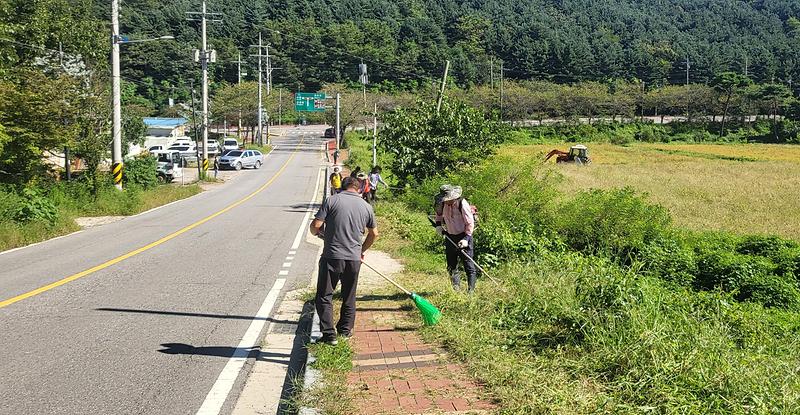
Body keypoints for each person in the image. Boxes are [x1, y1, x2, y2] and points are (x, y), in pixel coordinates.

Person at [310, 177, 378, 345]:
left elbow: (316, 226)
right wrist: (361, 250)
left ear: (342, 187)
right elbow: (374, 234)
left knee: (324, 295)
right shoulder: (366, 206)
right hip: (353, 259)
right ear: (359, 188)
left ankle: (329, 335)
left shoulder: (332, 201)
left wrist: (321, 234)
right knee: (349, 295)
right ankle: (345, 331)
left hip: (331, 257)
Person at [434, 186, 477, 293]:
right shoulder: (442, 204)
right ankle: (456, 289)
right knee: (451, 265)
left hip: (464, 236)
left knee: (468, 264)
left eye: (448, 199)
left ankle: (470, 291)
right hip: (450, 236)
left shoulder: (462, 204)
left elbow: (470, 223)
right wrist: (438, 225)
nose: (446, 201)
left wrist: (466, 238)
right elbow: (438, 215)